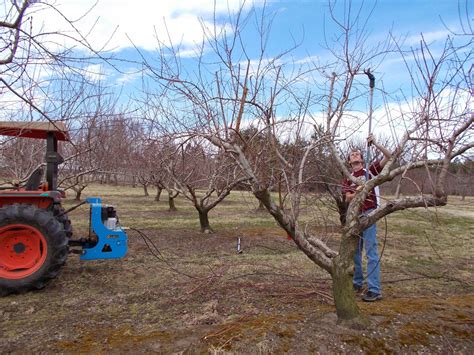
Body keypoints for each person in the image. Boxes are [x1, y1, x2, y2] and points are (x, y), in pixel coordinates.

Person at [342, 134, 391, 302]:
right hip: (355, 217)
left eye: (357, 153)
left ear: (362, 159)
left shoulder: (370, 171)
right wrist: (358, 190)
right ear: (349, 161)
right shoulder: (348, 177)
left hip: (369, 214)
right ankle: (357, 282)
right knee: (355, 252)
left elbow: (389, 157)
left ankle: (374, 289)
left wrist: (375, 143)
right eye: (352, 154)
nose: (355, 155)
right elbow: (348, 197)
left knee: (371, 252)